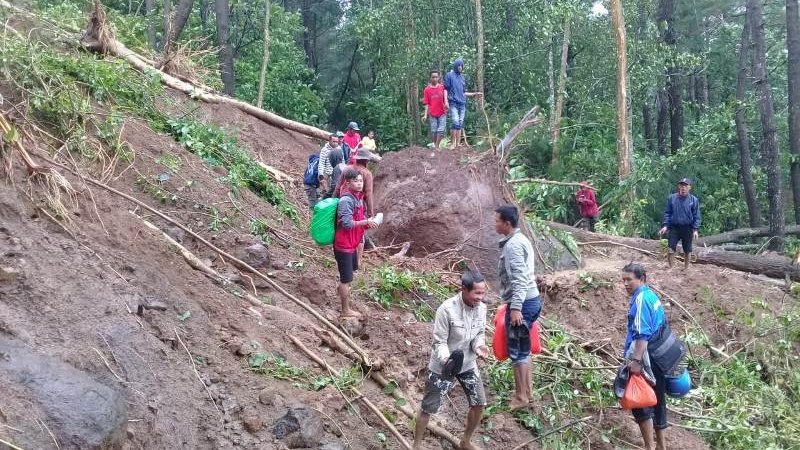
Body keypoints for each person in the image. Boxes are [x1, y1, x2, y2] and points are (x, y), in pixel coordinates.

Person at [413, 270, 489, 450]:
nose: (480, 297)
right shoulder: (446, 310)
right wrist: (446, 359)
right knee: (428, 408)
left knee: (479, 403)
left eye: (483, 292)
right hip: (444, 365)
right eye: (477, 293)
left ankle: (466, 441)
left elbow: (479, 333)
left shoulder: (482, 308)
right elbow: (439, 341)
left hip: (468, 363)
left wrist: (479, 346)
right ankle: (416, 445)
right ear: (463, 289)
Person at [621, 263, 685, 450]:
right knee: (658, 399)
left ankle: (649, 447)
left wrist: (636, 362)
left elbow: (642, 334)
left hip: (647, 358)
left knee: (640, 402)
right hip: (660, 356)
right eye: (623, 280)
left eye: (629, 280)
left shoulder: (640, 299)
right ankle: (661, 446)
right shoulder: (651, 295)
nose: (625, 284)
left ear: (641, 279)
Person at [494, 204, 542, 410]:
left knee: (518, 351)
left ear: (507, 223)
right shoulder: (520, 240)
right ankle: (527, 393)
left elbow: (520, 279)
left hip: (523, 303)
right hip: (531, 300)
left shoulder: (513, 245)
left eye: (497, 220)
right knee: (524, 349)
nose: (494, 223)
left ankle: (521, 397)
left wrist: (515, 308)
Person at [334, 168, 378, 317]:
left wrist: (368, 223)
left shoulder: (358, 198)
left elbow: (357, 220)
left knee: (350, 273)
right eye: (355, 181)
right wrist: (365, 221)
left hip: (351, 244)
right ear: (347, 183)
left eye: (360, 181)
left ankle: (341, 289)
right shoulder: (346, 200)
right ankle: (345, 311)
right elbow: (346, 224)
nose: (359, 184)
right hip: (344, 245)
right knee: (346, 279)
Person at [658, 178, 701, 269]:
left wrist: (695, 230)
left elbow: (696, 216)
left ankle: (686, 268)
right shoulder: (672, 198)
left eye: (685, 186)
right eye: (681, 185)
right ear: (679, 186)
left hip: (687, 228)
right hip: (674, 227)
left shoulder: (694, 200)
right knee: (670, 249)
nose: (683, 188)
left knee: (687, 250)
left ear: (689, 187)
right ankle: (671, 268)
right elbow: (667, 213)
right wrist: (665, 226)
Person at [443, 58, 482, 149]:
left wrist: (475, 94)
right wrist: (446, 101)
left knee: (460, 123)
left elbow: (464, 92)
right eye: (459, 65)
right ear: (456, 66)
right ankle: (452, 143)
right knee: (455, 121)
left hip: (462, 103)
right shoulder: (449, 75)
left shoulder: (462, 78)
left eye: (461, 66)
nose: (460, 67)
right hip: (453, 103)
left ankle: (458, 144)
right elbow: (445, 89)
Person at [422, 70, 448, 148]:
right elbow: (426, 103)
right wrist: (425, 115)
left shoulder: (442, 87)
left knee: (441, 129)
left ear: (438, 78)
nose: (434, 79)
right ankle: (436, 145)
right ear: (430, 78)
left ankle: (436, 146)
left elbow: (445, 98)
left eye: (436, 77)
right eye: (433, 77)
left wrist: (446, 104)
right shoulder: (427, 90)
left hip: (442, 112)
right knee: (434, 131)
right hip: (432, 113)